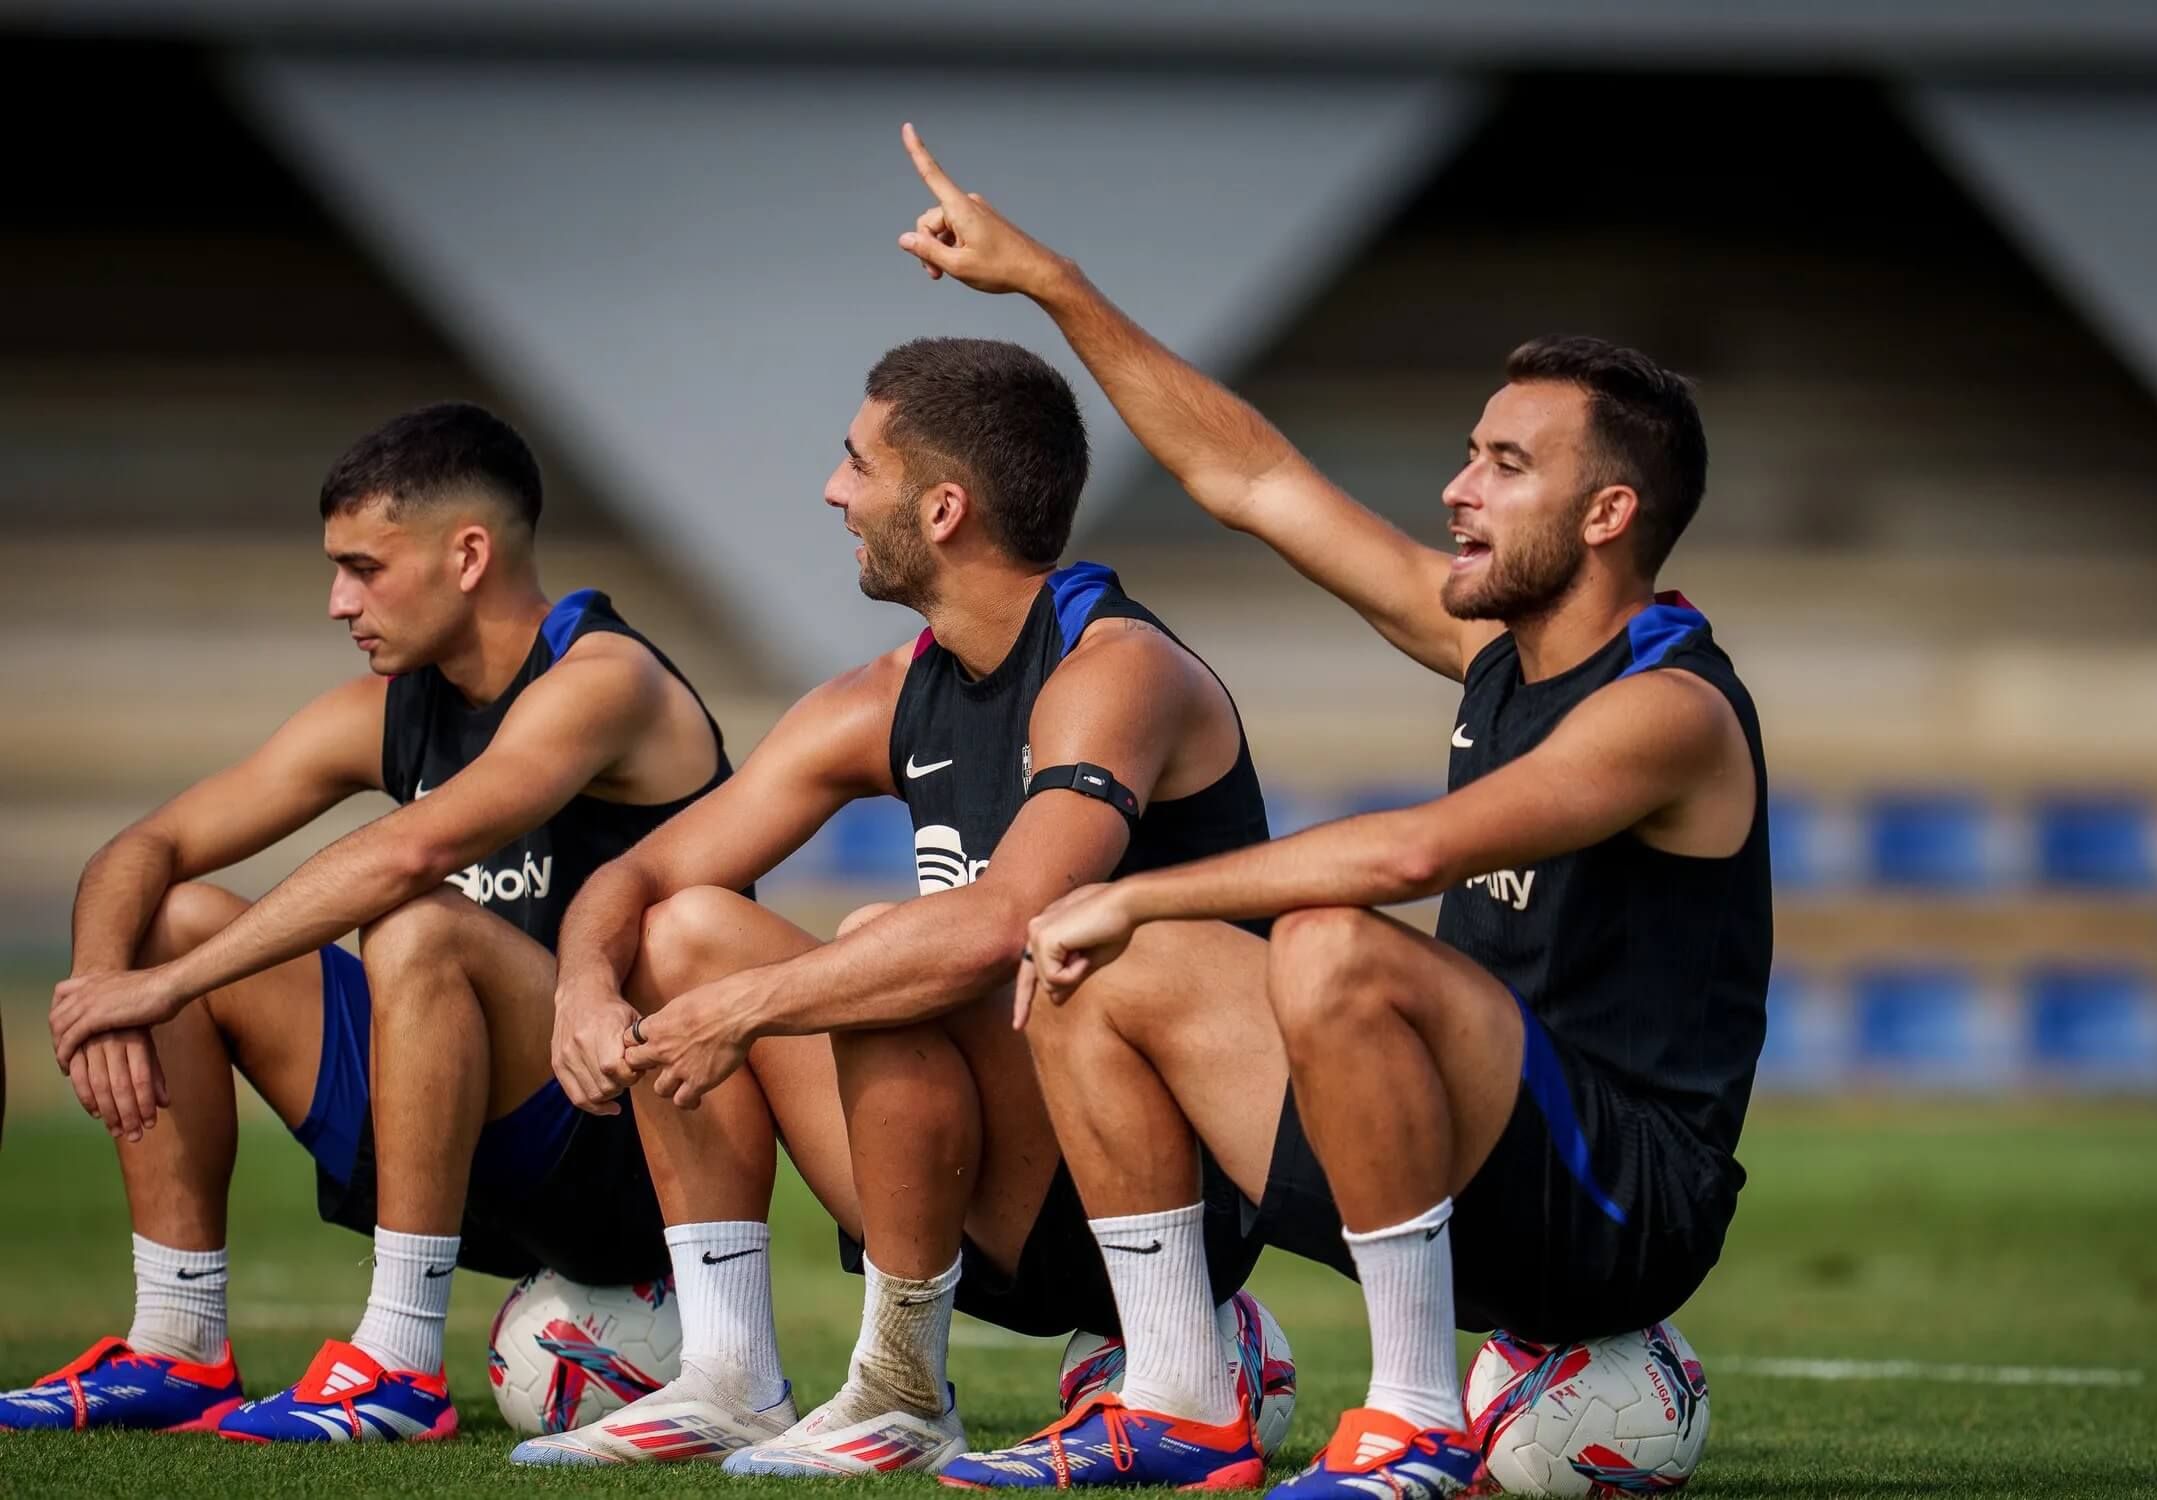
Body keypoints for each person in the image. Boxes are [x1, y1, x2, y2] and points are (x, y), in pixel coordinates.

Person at [889, 123, 1769, 1498]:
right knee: (1088, 962)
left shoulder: (1675, 711)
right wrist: (1049, 284)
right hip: (1448, 1140)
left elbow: (1411, 850)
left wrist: (1143, 885)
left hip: (1624, 1204)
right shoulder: (1497, 648)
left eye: (1503, 466)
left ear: (1608, 515)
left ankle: (1414, 1420)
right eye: (1469, 455)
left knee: (1327, 939)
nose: (1456, 488)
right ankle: (1178, 1396)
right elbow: (1249, 477)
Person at [520, 335, 1275, 1478]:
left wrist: (750, 1011)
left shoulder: (1116, 667)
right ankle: (730, 1377)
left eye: (858, 464)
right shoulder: (885, 693)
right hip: (983, 1173)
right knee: (683, 931)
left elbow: (1005, 917)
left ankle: (901, 1392)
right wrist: (582, 982)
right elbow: (637, 875)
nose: (832, 490)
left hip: (1154, 1204)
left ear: (943, 508)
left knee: (884, 945)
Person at [0, 403, 734, 1443]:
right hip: (463, 1119)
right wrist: (101, 984)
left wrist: (159, 990)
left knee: (414, 923)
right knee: (168, 920)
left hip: (629, 1140)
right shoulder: (390, 707)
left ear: (468, 553)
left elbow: (411, 854)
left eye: (365, 567)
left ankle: (398, 1362)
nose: (339, 601)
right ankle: (177, 1344)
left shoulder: (606, 680)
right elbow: (145, 846)